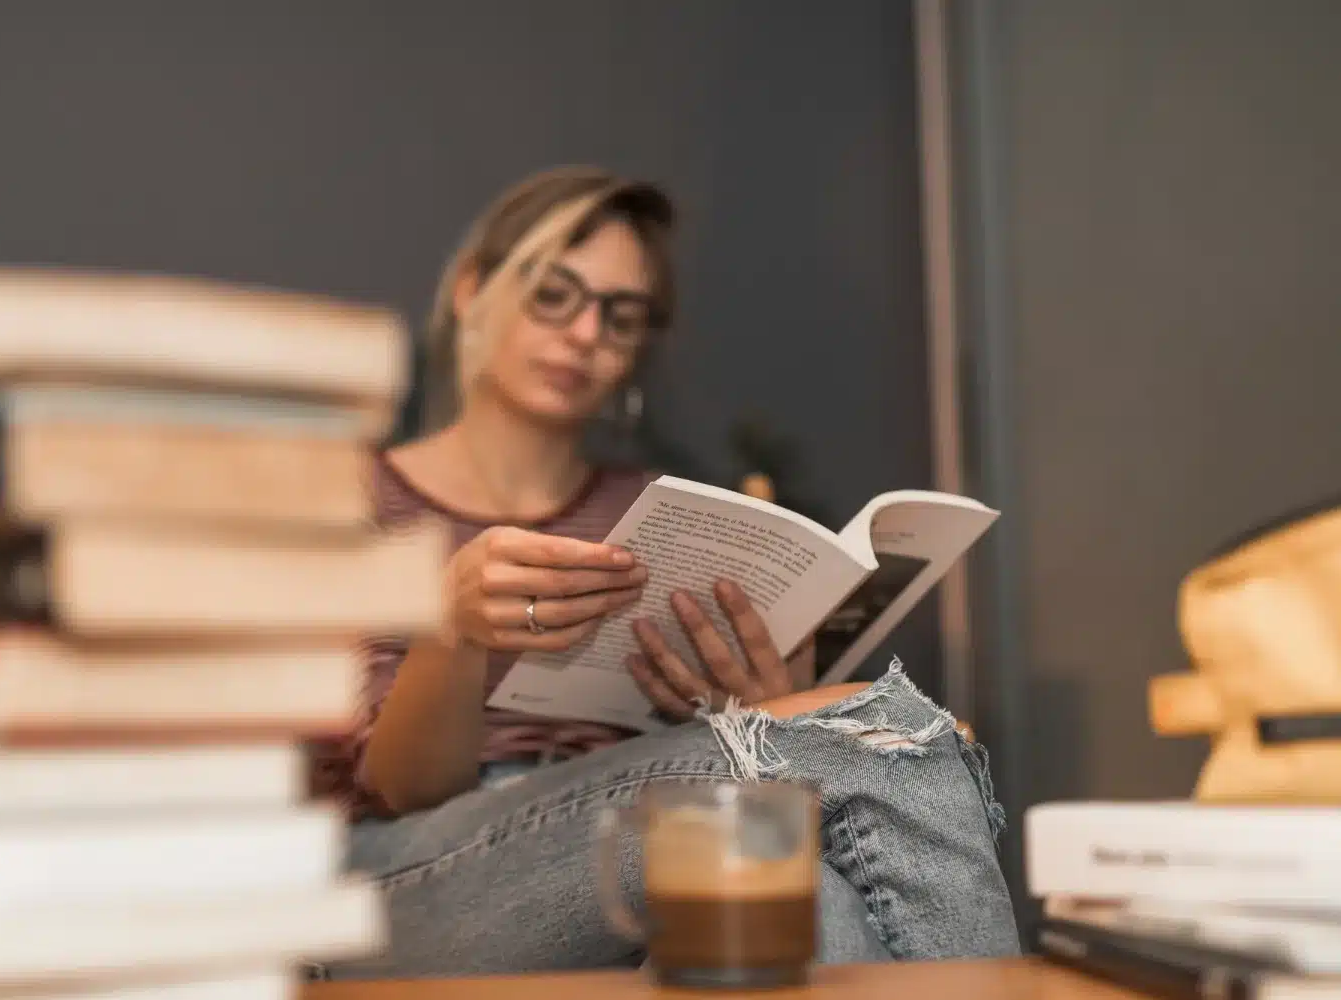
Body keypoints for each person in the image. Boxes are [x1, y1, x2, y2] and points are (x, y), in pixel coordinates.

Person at [310, 166, 1019, 976]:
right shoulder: (353, 500)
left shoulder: (658, 507)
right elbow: (406, 793)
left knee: (804, 889)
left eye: (621, 315)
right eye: (554, 293)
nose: (585, 335)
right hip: (406, 879)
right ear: (473, 290)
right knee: (882, 736)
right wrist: (453, 630)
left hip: (632, 839)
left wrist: (759, 701)